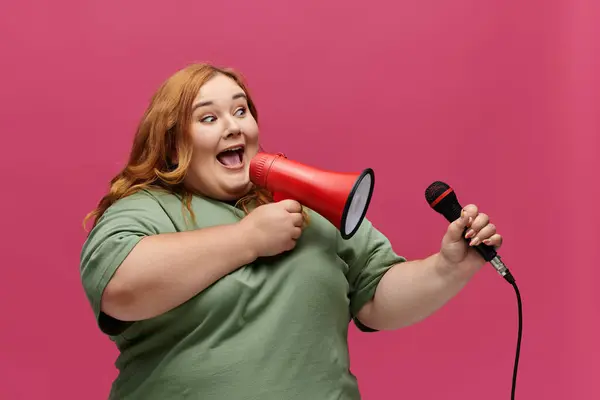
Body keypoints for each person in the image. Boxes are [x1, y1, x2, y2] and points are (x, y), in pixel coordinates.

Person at [80, 63, 503, 400]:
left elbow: (376, 299)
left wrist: (448, 268)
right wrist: (247, 239)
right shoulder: (145, 209)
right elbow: (121, 290)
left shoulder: (305, 201)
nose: (233, 126)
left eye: (241, 110)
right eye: (208, 117)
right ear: (172, 143)